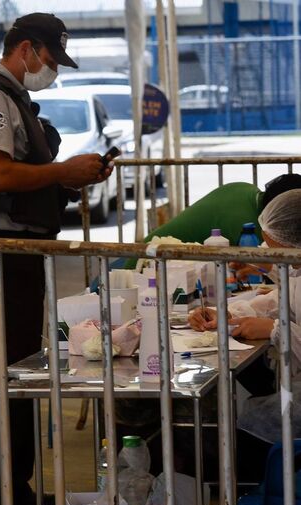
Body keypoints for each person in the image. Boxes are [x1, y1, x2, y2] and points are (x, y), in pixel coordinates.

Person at [0, 13, 115, 505]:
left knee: (22, 372)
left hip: (23, 254)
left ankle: (12, 489)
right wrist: (62, 169)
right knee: (6, 375)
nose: (53, 71)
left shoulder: (16, 98)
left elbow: (23, 176)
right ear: (25, 48)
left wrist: (63, 182)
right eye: (49, 60)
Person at [187, 190, 301, 471]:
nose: (274, 257)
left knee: (242, 442)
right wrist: (231, 313)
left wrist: (276, 330)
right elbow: (282, 299)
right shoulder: (297, 269)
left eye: (278, 250)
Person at [120, 173, 301, 271]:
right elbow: (275, 264)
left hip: (151, 254)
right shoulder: (250, 224)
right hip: (148, 264)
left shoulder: (245, 188)